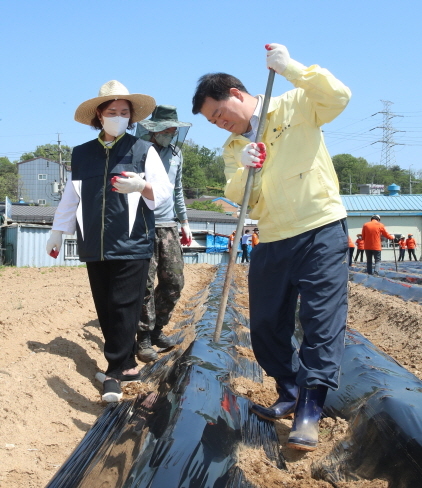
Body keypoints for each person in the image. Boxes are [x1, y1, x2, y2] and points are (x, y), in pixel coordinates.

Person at [192, 43, 351, 451]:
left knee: (320, 321)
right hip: (274, 237)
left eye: (219, 113)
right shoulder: (232, 150)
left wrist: (293, 68)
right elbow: (248, 202)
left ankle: (311, 410)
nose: (220, 123)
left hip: (320, 227)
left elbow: (338, 97)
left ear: (238, 95)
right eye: (213, 122)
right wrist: (246, 170)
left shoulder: (296, 102)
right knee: (264, 325)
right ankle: (289, 388)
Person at [46, 80, 173, 403]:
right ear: (99, 116)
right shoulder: (82, 154)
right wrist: (58, 231)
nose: (118, 116)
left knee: (123, 305)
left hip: (132, 243)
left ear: (131, 118)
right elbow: (70, 198)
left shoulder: (143, 150)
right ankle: (128, 364)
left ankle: (114, 372)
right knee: (105, 307)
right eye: (112, 111)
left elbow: (163, 193)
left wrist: (141, 186)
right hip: (94, 244)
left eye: (124, 112)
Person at [134, 105, 193, 362]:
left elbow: (177, 189)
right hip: (143, 224)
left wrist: (185, 222)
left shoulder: (176, 155)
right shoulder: (138, 151)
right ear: (154, 130)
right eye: (166, 130)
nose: (170, 134)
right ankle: (143, 339)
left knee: (174, 282)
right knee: (144, 285)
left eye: (173, 130)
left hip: (169, 225)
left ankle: (158, 329)